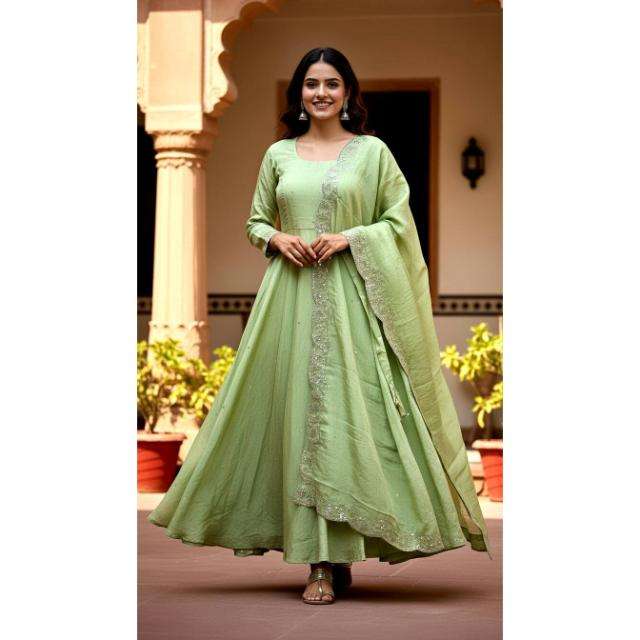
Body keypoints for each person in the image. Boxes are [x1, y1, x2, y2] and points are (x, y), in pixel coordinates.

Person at [148, 46, 491, 605]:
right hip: (288, 301)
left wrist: (351, 237)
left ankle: (343, 549)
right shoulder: (278, 155)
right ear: (299, 94)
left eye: (332, 83)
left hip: (353, 303)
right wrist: (276, 238)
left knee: (353, 422)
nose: (322, 93)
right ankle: (319, 562)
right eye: (312, 83)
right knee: (295, 419)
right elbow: (256, 221)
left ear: (348, 91)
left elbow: (397, 223)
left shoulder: (372, 153)